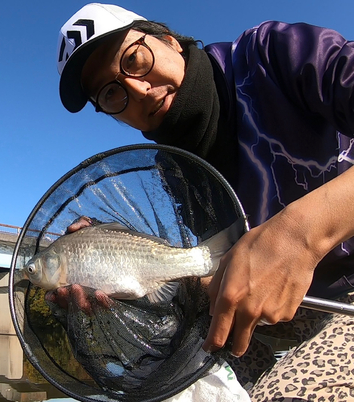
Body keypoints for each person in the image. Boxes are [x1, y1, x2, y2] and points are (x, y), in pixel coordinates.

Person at [56, 3, 354, 401]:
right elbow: (217, 272)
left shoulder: (274, 53)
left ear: (168, 41)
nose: (139, 90)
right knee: (160, 385)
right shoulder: (174, 167)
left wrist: (301, 235)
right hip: (278, 310)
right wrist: (124, 268)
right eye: (112, 93)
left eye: (135, 59)